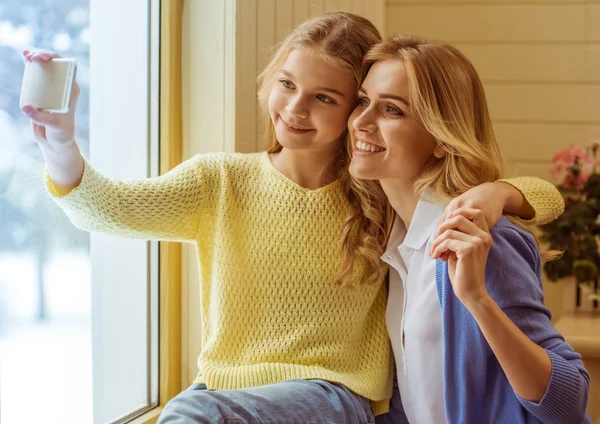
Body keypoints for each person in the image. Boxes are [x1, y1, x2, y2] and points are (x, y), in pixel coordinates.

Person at [21, 14, 564, 424]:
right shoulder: (221, 181)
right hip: (226, 392)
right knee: (184, 413)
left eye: (324, 97)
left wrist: (496, 192)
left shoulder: (373, 197)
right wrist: (62, 144)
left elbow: (544, 196)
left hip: (336, 393)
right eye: (287, 84)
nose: (294, 109)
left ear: (352, 108)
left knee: (189, 418)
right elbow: (109, 208)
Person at [348, 33, 590, 424]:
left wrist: (477, 298)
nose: (361, 121)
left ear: (440, 139)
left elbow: (568, 401)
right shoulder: (394, 244)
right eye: (362, 101)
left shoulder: (479, 240)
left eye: (391, 110)